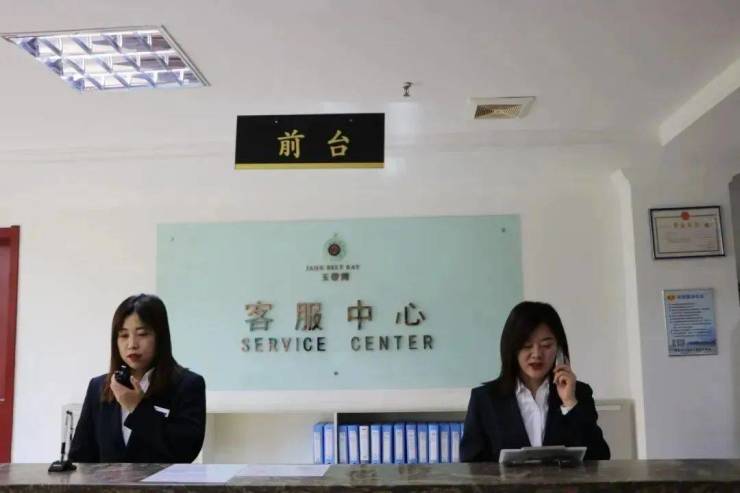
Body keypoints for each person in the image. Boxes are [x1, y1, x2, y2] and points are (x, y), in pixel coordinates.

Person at [460, 301, 610, 462]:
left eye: (546, 345)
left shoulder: (578, 393)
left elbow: (600, 456)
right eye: (527, 345)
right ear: (512, 348)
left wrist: (570, 403)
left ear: (559, 349)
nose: (537, 354)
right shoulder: (484, 399)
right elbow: (471, 464)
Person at [69, 294, 206, 462]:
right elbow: (80, 456)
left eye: (142, 334)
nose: (132, 344)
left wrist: (138, 407)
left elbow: (185, 452)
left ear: (160, 337)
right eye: (123, 335)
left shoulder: (188, 384)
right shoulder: (98, 386)